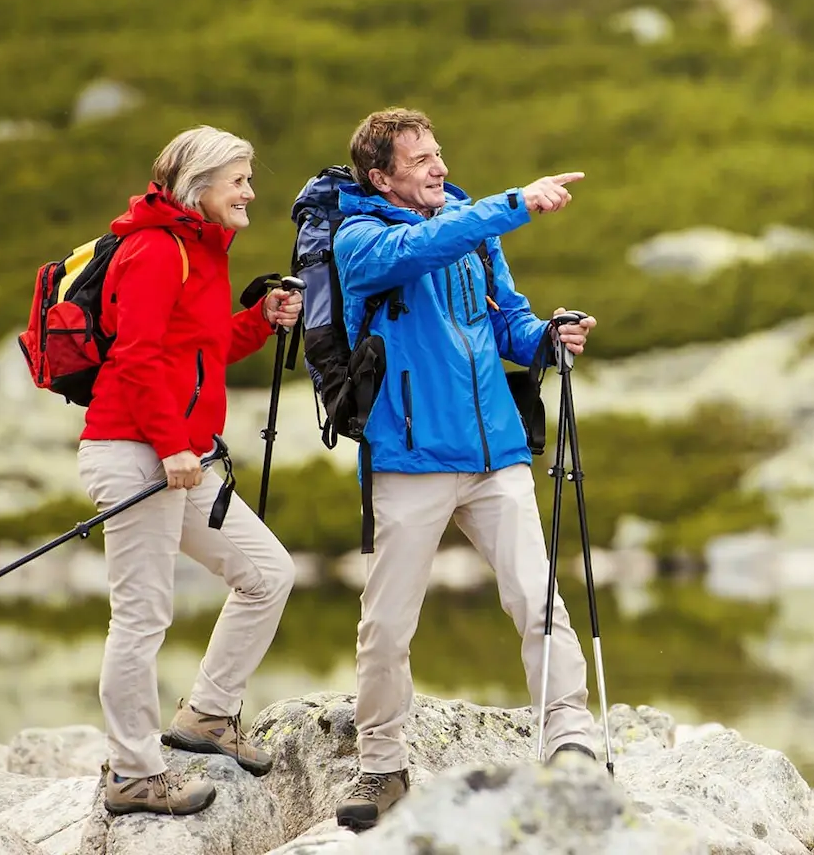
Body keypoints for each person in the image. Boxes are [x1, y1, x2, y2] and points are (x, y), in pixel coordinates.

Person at [328, 107, 603, 831]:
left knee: (537, 599)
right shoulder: (358, 238)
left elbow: (505, 321)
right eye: (421, 160)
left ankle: (570, 738)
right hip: (409, 457)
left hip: (495, 455)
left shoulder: (472, 230)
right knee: (387, 625)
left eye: (439, 153)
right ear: (381, 176)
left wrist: (547, 338)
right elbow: (416, 251)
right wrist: (511, 205)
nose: (439, 167)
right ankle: (382, 765)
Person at [78, 125, 304, 816]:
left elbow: (197, 351)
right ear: (197, 185)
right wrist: (174, 446)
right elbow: (136, 360)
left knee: (268, 575)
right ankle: (133, 775)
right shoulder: (152, 250)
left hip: (178, 453)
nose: (250, 192)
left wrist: (260, 319)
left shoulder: (201, 251)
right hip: (135, 450)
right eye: (239, 179)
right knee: (143, 617)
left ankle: (207, 714)